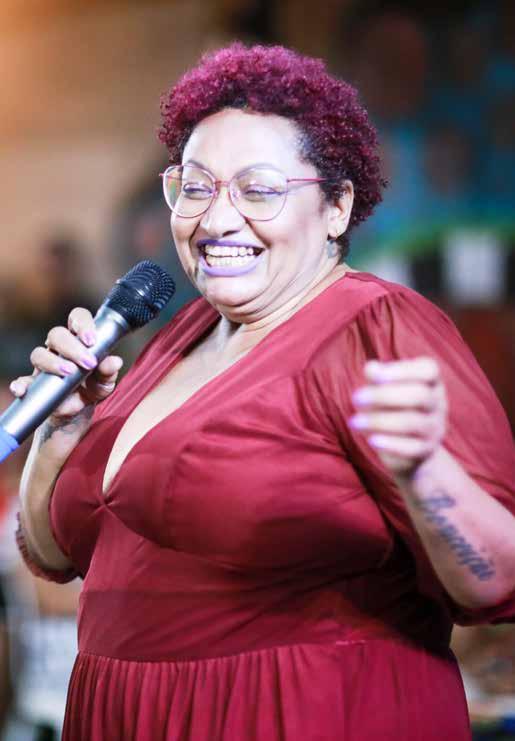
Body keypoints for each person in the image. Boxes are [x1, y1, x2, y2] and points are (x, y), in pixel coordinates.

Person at [11, 43, 515, 741]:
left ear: (337, 206)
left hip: (300, 712)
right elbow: (54, 555)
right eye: (194, 187)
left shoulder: (374, 326)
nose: (216, 219)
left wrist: (425, 472)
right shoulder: (177, 336)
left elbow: (494, 584)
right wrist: (58, 432)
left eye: (258, 189)